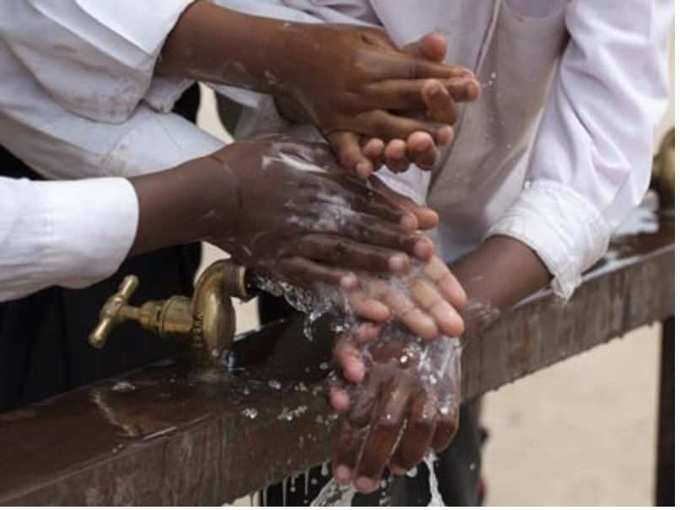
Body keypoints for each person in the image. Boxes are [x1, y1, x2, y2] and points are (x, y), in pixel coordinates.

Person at [210, 0, 674, 504]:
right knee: (333, 412)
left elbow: (605, 135)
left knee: (435, 435)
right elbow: (318, 64)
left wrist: (433, 322)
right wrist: (404, 293)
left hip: (493, 233)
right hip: (327, 202)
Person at [0, 0, 477, 410]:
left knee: (118, 398)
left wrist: (301, 70)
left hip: (149, 149)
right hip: (75, 182)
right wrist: (220, 194)